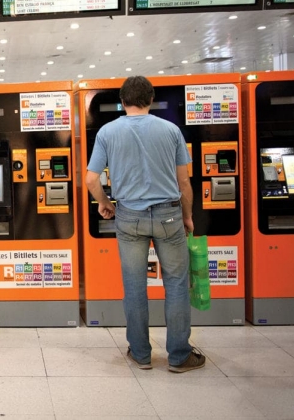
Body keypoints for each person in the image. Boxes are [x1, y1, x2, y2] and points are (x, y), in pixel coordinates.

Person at [84, 76, 205, 373]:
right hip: (169, 215)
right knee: (176, 285)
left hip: (129, 217)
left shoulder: (107, 132)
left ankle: (140, 354)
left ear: (123, 101)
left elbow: (90, 179)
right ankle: (179, 356)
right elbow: (184, 182)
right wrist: (187, 216)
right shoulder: (171, 130)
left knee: (135, 286)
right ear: (149, 99)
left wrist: (106, 203)